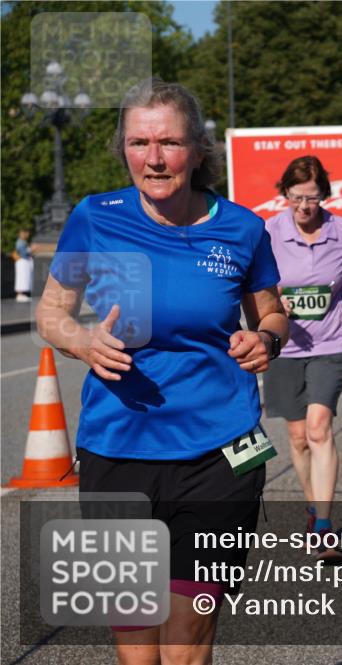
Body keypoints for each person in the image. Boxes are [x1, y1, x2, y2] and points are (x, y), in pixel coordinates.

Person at [35, 78, 288, 664]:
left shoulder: (242, 227)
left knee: (185, 639)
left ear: (198, 149)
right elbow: (52, 311)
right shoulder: (96, 218)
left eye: (169, 142)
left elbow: (272, 312)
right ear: (122, 148)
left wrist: (267, 341)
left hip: (221, 452)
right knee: (135, 640)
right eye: (138, 142)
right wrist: (82, 342)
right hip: (119, 449)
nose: (153, 158)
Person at [263, 156, 342, 560]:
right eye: (296, 198)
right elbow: (255, 279)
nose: (305, 206)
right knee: (297, 435)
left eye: (312, 197)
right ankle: (312, 508)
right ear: (284, 195)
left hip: (332, 343)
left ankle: (324, 527)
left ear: (325, 194)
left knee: (319, 428)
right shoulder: (269, 231)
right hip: (284, 346)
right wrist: (272, 304)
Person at [13, 227, 35, 302]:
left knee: (24, 278)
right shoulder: (20, 242)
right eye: (26, 233)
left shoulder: (22, 242)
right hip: (22, 261)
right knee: (21, 278)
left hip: (24, 262)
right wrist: (31, 249)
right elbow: (23, 252)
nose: (27, 234)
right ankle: (19, 294)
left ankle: (22, 294)